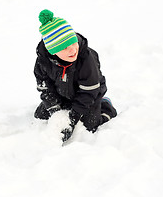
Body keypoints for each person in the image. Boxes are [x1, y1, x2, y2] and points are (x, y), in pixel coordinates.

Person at [34, 9, 117, 142]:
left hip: (89, 95)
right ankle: (64, 108)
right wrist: (56, 112)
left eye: (73, 42)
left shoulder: (86, 59)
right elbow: (45, 88)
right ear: (53, 51)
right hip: (62, 95)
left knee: (89, 125)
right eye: (65, 48)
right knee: (40, 115)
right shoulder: (43, 62)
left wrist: (72, 118)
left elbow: (89, 91)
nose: (73, 49)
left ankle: (105, 105)